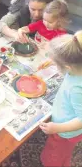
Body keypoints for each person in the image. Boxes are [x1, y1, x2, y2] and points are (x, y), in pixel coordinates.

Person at [39, 31, 82, 167]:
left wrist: (57, 128)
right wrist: (54, 61)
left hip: (65, 131)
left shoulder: (76, 89)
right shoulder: (77, 69)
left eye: (59, 65)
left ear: (68, 67)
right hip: (66, 122)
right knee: (63, 154)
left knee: (53, 157)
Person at [0, 0, 67, 42]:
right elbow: (0, 24)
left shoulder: (56, 12)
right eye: (33, 9)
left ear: (48, 6)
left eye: (41, 10)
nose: (36, 14)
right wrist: (15, 34)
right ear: (27, 5)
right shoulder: (21, 7)